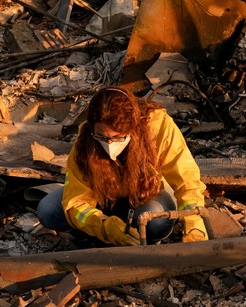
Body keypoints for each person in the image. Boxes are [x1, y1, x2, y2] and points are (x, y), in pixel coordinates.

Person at [36, 86, 209, 246]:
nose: (110, 144)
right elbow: (76, 203)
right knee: (48, 210)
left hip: (147, 195)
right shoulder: (85, 140)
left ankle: (144, 240)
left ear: (133, 127)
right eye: (102, 137)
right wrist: (104, 227)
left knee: (156, 222)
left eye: (118, 137)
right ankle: (89, 237)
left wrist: (194, 223)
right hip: (103, 198)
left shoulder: (157, 125)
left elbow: (186, 179)